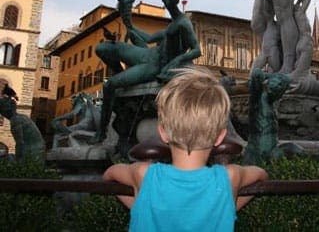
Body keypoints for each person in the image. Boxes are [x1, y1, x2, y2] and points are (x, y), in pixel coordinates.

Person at [103, 67, 267, 231]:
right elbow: (261, 175)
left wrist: (138, 206)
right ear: (220, 137)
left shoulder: (144, 175)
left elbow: (109, 175)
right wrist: (229, 206)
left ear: (163, 133)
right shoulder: (230, 178)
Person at [92, 0, 201, 143]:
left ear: (173, 1)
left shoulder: (184, 23)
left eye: (165, 0)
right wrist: (129, 25)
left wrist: (177, 60)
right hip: (146, 54)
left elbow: (197, 50)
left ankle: (101, 133)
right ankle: (119, 73)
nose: (164, 3)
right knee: (102, 48)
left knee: (109, 86)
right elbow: (149, 39)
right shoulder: (172, 23)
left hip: (153, 66)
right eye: (163, 0)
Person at [0, 89, 45, 160]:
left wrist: (18, 159)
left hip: (31, 156)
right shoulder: (23, 117)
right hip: (39, 153)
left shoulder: (15, 121)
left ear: (4, 111)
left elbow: (20, 143)